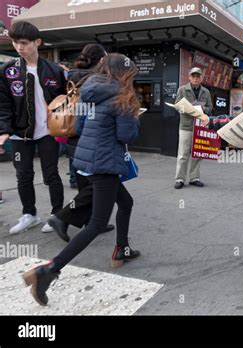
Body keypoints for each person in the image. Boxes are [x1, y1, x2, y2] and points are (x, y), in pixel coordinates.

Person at [22, 53, 141, 306]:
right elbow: (126, 134)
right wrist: (135, 117)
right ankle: (48, 271)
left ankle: (122, 249)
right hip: (106, 162)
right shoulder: (123, 97)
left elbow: (81, 124)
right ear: (125, 73)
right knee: (96, 224)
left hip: (89, 159)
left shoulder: (89, 90)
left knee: (126, 202)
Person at [0, 21, 66, 235]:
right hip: (21, 134)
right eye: (15, 42)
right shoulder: (7, 71)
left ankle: (58, 216)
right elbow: (3, 104)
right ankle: (30, 214)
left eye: (24, 43)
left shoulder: (55, 70)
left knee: (51, 175)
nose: (19, 47)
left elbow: (66, 101)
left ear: (37, 42)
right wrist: (4, 130)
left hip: (49, 132)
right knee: (23, 175)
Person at [46, 44, 115, 242]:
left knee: (86, 184)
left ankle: (93, 223)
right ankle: (61, 217)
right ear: (101, 60)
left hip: (72, 134)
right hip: (89, 136)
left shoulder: (71, 76)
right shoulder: (96, 80)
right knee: (97, 186)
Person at [174, 67, 212, 189]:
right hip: (186, 126)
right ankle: (180, 179)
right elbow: (177, 106)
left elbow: (210, 108)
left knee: (198, 154)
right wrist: (187, 108)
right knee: (183, 154)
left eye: (198, 76)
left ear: (201, 78)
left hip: (200, 127)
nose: (195, 78)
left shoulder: (206, 92)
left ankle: (194, 178)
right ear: (189, 77)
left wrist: (203, 109)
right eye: (193, 76)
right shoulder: (182, 90)